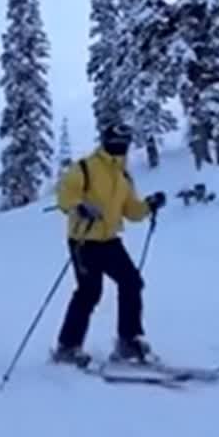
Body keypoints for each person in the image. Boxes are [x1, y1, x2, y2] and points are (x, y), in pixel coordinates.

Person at [51, 123, 166, 366]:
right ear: (106, 141)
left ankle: (128, 341)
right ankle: (67, 347)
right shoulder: (84, 168)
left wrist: (148, 205)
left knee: (131, 282)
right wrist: (81, 207)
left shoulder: (122, 175)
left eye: (125, 142)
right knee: (89, 292)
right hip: (84, 240)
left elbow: (131, 211)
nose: (121, 147)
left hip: (109, 240)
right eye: (117, 141)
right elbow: (64, 197)